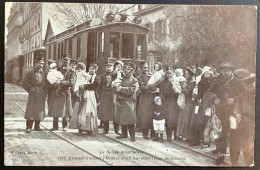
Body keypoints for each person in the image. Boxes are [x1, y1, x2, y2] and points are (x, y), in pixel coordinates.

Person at [208, 62, 244, 165]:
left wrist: (235, 99)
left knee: (234, 134)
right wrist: (214, 98)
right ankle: (220, 156)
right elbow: (209, 92)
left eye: (228, 70)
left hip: (234, 112)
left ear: (232, 71)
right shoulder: (217, 81)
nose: (226, 72)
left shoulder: (238, 81)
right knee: (220, 134)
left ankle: (234, 159)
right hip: (221, 112)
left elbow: (243, 93)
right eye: (224, 70)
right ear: (221, 71)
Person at [230, 70, 255, 166]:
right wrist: (236, 113)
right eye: (247, 86)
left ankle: (248, 163)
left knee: (248, 145)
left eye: (252, 86)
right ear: (244, 86)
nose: (250, 88)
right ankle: (234, 163)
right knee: (236, 143)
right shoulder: (243, 95)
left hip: (251, 122)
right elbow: (237, 105)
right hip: (240, 122)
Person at [48, 55, 75, 131]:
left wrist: (60, 82)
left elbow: (71, 82)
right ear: (62, 61)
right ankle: (55, 126)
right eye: (64, 60)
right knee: (55, 109)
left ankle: (65, 126)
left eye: (67, 60)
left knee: (66, 110)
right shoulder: (57, 70)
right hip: (57, 91)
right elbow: (52, 79)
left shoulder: (72, 72)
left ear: (69, 62)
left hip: (66, 92)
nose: (65, 62)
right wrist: (58, 84)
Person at [115, 63, 139, 142]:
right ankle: (124, 134)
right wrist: (117, 98)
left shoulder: (134, 80)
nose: (126, 70)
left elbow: (132, 90)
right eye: (126, 68)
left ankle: (132, 135)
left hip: (129, 102)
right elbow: (116, 89)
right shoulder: (122, 79)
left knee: (130, 119)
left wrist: (121, 89)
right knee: (122, 119)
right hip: (121, 100)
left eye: (129, 69)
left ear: (132, 70)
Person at [23, 57, 47, 133]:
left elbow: (47, 83)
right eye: (40, 63)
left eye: (42, 64)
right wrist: (31, 90)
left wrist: (45, 91)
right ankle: (29, 126)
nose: (41, 65)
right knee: (31, 109)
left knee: (39, 110)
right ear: (36, 63)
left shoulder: (44, 73)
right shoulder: (30, 73)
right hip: (33, 94)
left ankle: (37, 126)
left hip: (41, 94)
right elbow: (25, 84)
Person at [97, 60, 120, 135]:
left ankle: (117, 130)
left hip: (113, 95)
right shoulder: (102, 76)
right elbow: (99, 88)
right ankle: (106, 129)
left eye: (110, 66)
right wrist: (100, 96)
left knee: (115, 112)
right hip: (105, 95)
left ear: (113, 67)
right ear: (105, 68)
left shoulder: (116, 75)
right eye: (107, 66)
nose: (109, 68)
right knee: (105, 112)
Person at [137, 62, 159, 139]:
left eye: (147, 67)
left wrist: (151, 87)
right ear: (140, 68)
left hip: (152, 97)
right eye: (144, 68)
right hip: (144, 98)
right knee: (145, 115)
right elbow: (143, 87)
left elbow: (155, 87)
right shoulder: (139, 78)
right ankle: (145, 134)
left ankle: (153, 134)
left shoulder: (151, 76)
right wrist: (153, 85)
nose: (146, 69)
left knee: (153, 115)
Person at [78, 63, 100, 136]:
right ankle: (81, 128)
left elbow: (94, 86)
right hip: (84, 95)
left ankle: (89, 129)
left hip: (92, 96)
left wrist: (84, 86)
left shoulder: (97, 77)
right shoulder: (84, 75)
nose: (91, 70)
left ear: (95, 70)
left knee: (91, 112)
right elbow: (79, 83)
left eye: (93, 69)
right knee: (82, 111)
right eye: (90, 68)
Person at [159, 66, 180, 142]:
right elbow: (161, 92)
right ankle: (161, 136)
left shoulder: (176, 81)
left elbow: (179, 91)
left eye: (170, 73)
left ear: (172, 74)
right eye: (167, 73)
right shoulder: (162, 82)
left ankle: (170, 136)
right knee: (163, 119)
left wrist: (176, 92)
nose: (168, 74)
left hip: (173, 103)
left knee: (171, 120)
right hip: (165, 102)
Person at [176, 67, 196, 141]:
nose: (185, 75)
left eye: (187, 74)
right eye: (185, 74)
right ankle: (180, 134)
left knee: (187, 118)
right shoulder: (187, 82)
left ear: (191, 75)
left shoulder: (193, 82)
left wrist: (184, 89)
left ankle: (186, 135)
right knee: (182, 117)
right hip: (185, 101)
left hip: (189, 102)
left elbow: (189, 92)